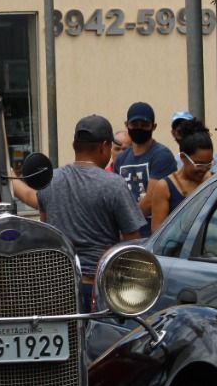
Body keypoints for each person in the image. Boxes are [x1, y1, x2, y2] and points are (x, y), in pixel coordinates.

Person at [12, 115, 145, 312]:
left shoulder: (51, 180)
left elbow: (45, 228)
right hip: (98, 288)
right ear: (104, 146)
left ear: (75, 145)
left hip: (57, 287)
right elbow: (132, 244)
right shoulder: (114, 185)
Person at [113, 101, 178, 236]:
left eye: (144, 125)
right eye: (134, 125)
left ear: (153, 127)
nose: (139, 129)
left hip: (152, 235)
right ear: (127, 125)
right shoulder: (120, 159)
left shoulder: (161, 155)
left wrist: (125, 224)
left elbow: (151, 201)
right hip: (126, 236)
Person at [149, 120, 215, 231]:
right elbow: (157, 233)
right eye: (198, 164)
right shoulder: (165, 188)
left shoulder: (214, 181)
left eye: (208, 164)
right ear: (183, 158)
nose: (204, 169)